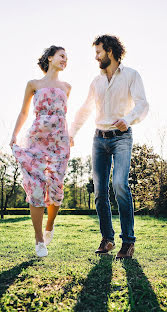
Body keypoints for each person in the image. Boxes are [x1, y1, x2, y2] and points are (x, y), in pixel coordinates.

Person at [69, 35, 149, 259]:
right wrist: (72, 133)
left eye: (98, 52)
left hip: (122, 137)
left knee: (120, 185)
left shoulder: (132, 75)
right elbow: (85, 109)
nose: (96, 57)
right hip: (98, 138)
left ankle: (128, 242)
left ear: (110, 51)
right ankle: (107, 239)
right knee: (99, 192)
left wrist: (129, 118)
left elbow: (143, 104)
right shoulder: (96, 81)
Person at [9, 45, 71, 257]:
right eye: (62, 56)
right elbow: (25, 111)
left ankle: (50, 226)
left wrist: (68, 135)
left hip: (59, 143)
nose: (65, 59)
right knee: (36, 188)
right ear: (50, 58)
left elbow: (62, 116)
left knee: (56, 187)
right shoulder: (33, 84)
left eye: (66, 57)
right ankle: (38, 241)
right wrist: (14, 134)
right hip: (36, 140)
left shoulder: (67, 87)